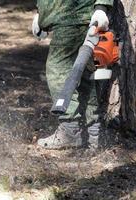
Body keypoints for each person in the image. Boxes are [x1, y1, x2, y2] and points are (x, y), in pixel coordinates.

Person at [32, 0, 113, 149]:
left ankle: (71, 130)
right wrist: (42, 14)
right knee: (86, 74)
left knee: (58, 68)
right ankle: (93, 133)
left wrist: (102, 7)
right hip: (74, 18)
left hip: (74, 17)